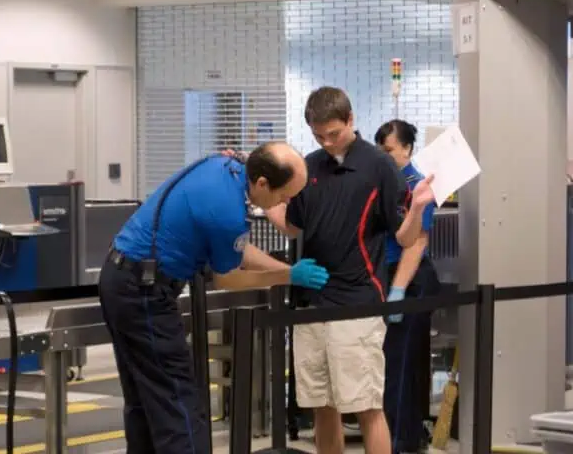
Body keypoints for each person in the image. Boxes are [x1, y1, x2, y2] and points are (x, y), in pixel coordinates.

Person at [98, 142, 330, 454]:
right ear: (262, 182)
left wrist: (286, 268)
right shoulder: (227, 212)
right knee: (177, 401)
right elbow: (227, 278)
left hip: (122, 277)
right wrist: (287, 276)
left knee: (147, 398)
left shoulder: (227, 166)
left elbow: (236, 248)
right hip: (143, 291)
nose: (284, 203)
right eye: (283, 196)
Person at [264, 86, 435, 454]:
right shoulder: (307, 167)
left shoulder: (379, 166)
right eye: (318, 135)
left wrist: (418, 208)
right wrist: (263, 197)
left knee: (366, 406)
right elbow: (293, 224)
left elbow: (405, 238)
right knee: (322, 407)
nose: (327, 142)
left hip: (358, 304)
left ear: (351, 120)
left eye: (334, 133)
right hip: (313, 305)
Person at [374, 119, 440, 454]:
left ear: (407, 149)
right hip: (389, 278)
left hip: (410, 280)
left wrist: (398, 291)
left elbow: (417, 243)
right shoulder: (388, 182)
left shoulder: (417, 185)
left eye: (389, 151)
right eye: (379, 151)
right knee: (394, 363)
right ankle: (402, 438)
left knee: (400, 365)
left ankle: (401, 442)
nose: (383, 157)